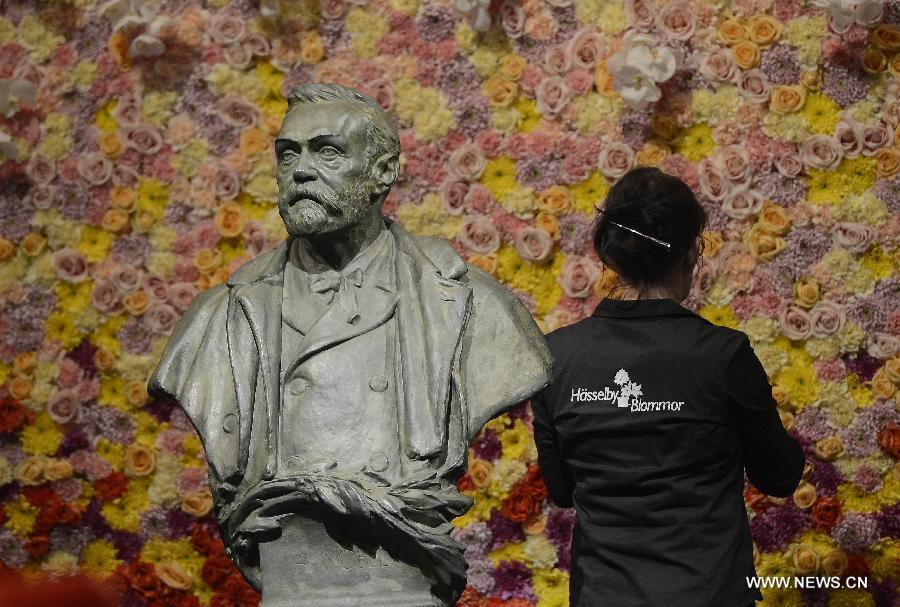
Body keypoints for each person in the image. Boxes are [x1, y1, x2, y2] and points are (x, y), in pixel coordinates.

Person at [148, 83, 552, 605]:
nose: (301, 170)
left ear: (384, 171)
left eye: (328, 151)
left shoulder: (467, 302)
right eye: (288, 153)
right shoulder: (222, 315)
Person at [531, 166, 805, 607]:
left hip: (605, 595)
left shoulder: (556, 357)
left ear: (613, 256)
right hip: (710, 593)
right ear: (688, 255)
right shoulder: (722, 355)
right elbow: (780, 476)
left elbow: (561, 491)